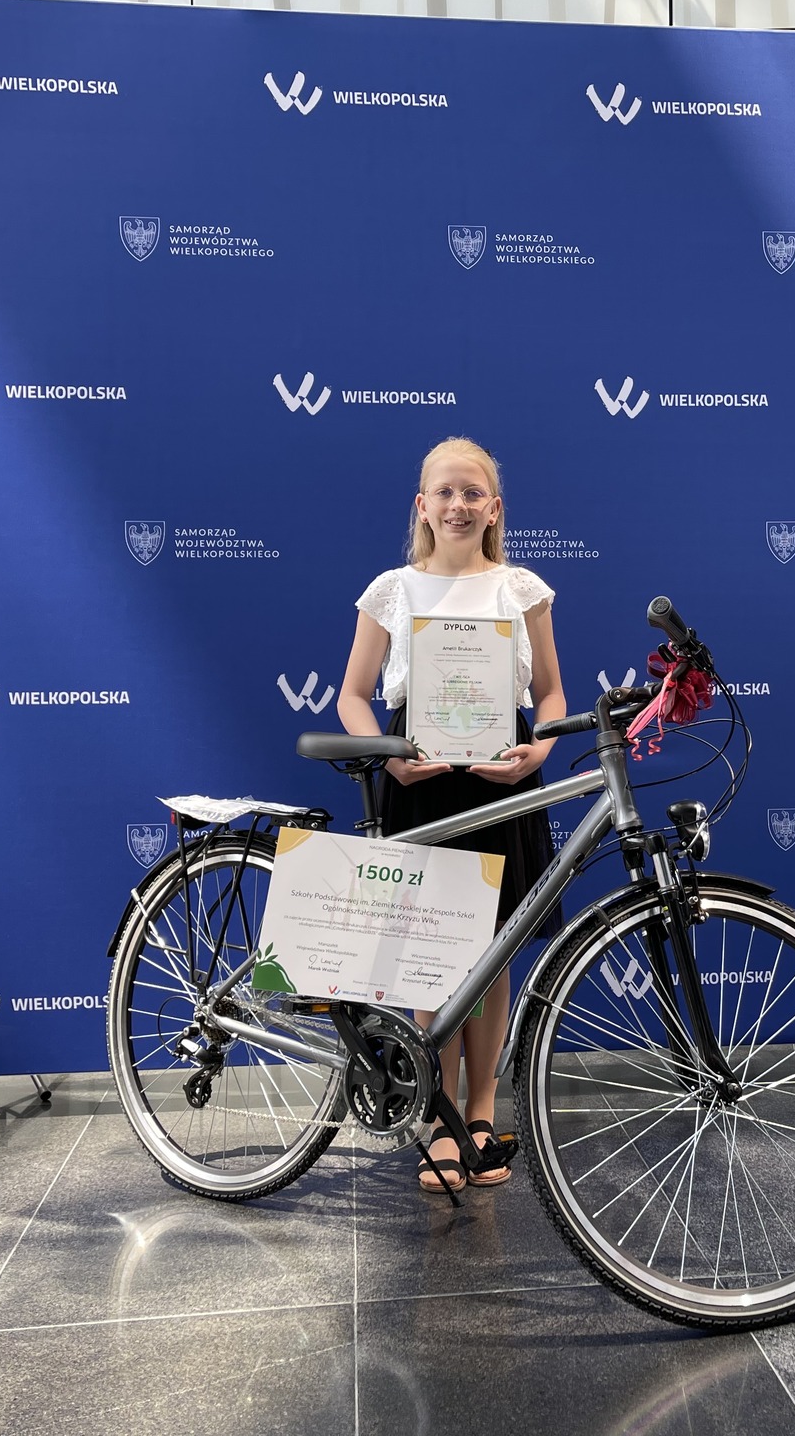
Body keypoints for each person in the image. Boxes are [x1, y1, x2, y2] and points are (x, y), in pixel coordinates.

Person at [336, 437, 565, 1193]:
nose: (458, 505)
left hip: (502, 781)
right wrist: (388, 756)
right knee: (427, 954)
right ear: (422, 506)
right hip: (420, 780)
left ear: (494, 508)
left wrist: (538, 753)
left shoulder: (522, 589)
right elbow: (352, 697)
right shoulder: (392, 591)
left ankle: (480, 1111)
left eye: (472, 493)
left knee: (492, 954)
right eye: (445, 492)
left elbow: (552, 695)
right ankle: (437, 1120)